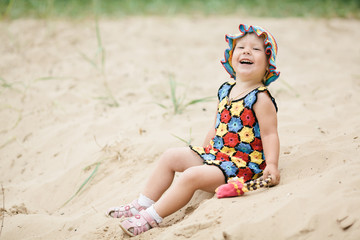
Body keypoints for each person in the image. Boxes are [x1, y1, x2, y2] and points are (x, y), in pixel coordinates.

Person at [106, 24, 281, 237]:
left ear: (267, 64)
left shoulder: (260, 98)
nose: (246, 51)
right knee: (171, 156)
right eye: (241, 47)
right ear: (231, 57)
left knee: (191, 176)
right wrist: (203, 152)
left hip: (242, 167)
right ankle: (142, 204)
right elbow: (217, 126)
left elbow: (270, 134)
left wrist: (271, 164)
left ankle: (151, 216)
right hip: (219, 156)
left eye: (256, 49)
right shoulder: (226, 89)